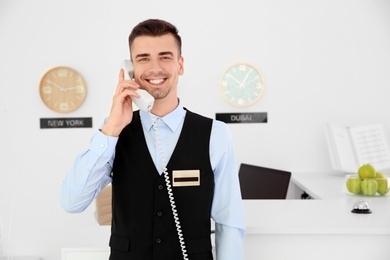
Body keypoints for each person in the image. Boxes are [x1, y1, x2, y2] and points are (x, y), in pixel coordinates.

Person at [61, 19, 245, 260]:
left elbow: (229, 220)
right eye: (144, 58)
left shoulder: (215, 133)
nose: (155, 68)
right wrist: (111, 129)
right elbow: (72, 202)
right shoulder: (113, 133)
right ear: (131, 68)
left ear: (180, 65)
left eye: (165, 57)